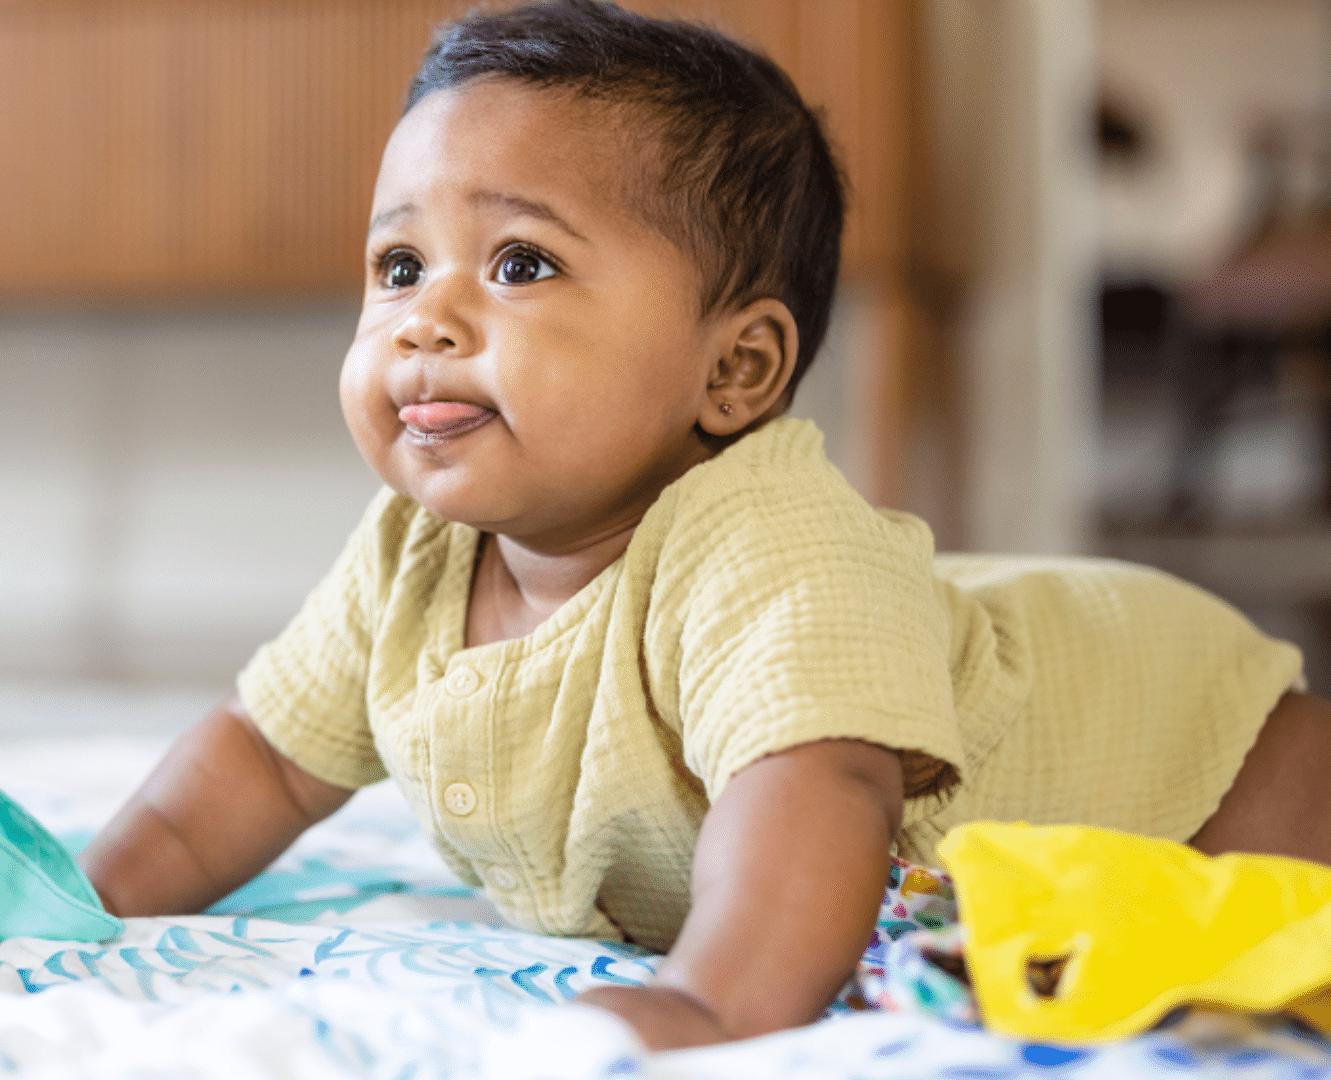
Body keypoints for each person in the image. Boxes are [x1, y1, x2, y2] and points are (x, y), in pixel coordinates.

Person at [79, 0, 1331, 1051]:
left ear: (734, 372)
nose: (424, 318)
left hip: (1179, 744)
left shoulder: (760, 538)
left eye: (518, 264)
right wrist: (79, 900)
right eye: (400, 266)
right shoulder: (411, 556)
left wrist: (713, 1000)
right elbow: (257, 762)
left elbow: (817, 788)